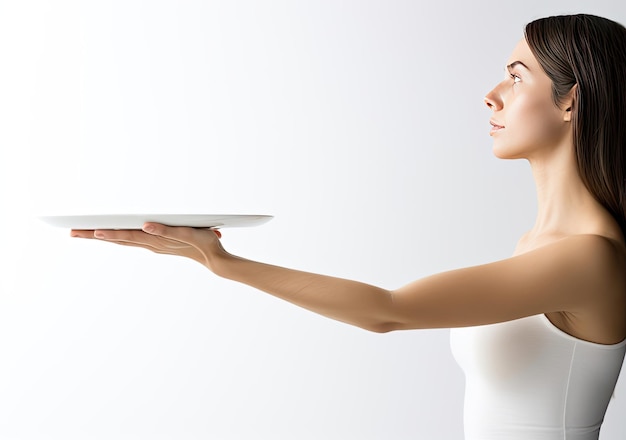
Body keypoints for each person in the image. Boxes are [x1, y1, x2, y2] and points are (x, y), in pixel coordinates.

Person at [71, 14, 626, 440]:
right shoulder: (540, 246)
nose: (491, 94)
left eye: (516, 76)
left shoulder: (588, 258)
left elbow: (388, 310)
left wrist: (222, 263)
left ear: (571, 100)